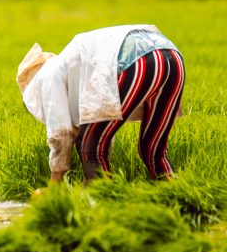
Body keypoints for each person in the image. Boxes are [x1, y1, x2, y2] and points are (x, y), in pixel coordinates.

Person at [16, 24, 184, 185]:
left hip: (136, 60)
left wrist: (54, 185)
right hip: (171, 56)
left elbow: (61, 131)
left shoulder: (47, 75)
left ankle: (100, 203)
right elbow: (98, 127)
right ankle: (180, 200)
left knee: (89, 145)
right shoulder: (70, 67)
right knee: (153, 151)